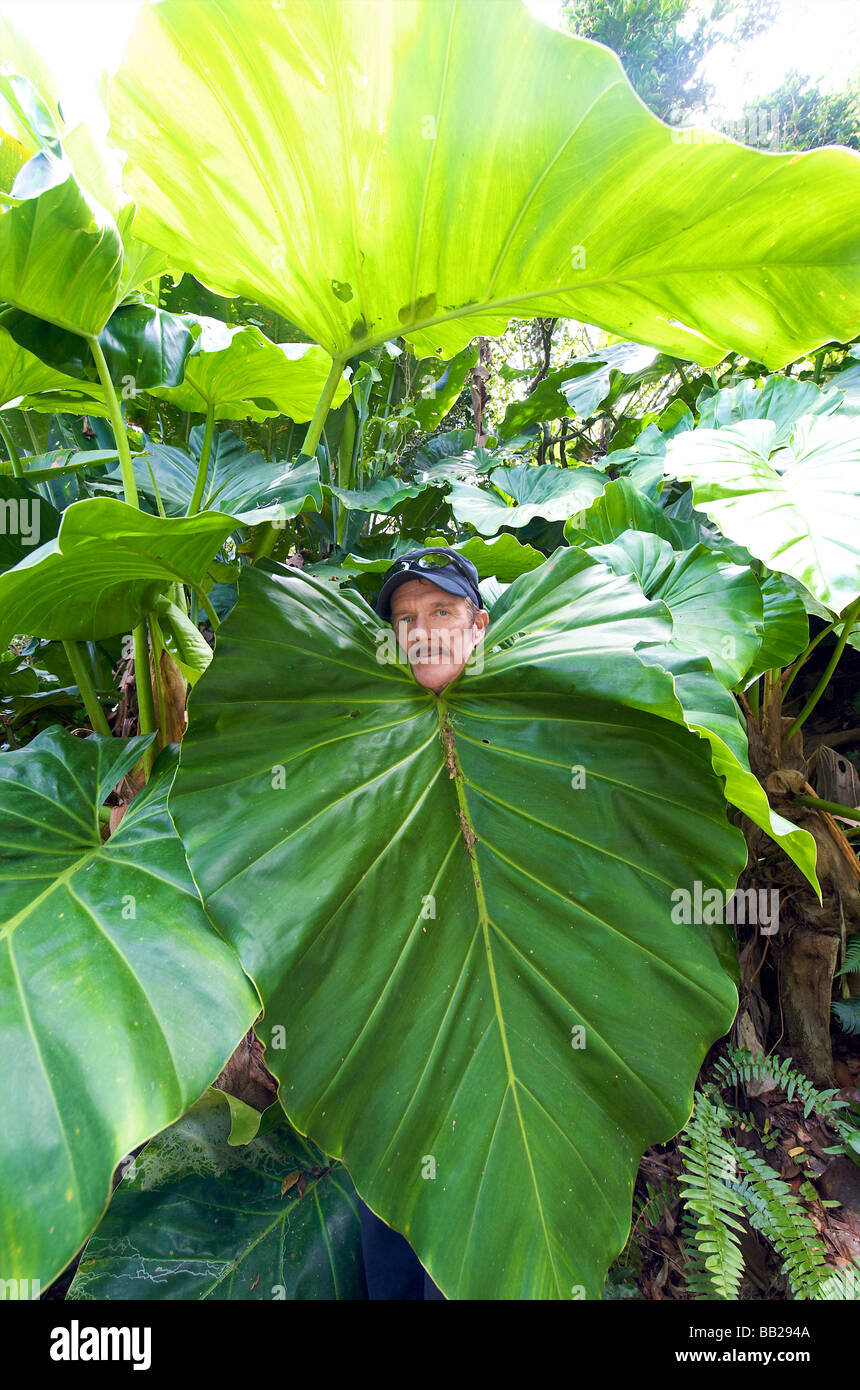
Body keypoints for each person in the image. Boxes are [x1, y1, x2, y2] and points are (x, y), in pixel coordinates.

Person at [357, 547, 490, 1301]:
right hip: (395, 1028)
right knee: (397, 1219)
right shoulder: (368, 735)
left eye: (441, 612)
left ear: (478, 625)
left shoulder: (540, 725)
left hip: (511, 1014)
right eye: (406, 619)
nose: (423, 631)